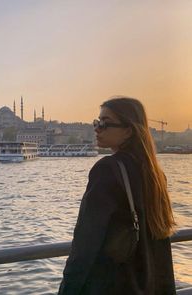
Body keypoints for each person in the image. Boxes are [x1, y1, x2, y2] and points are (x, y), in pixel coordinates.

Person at [58, 96, 176, 295]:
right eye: (97, 122)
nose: (97, 128)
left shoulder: (107, 170)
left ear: (128, 131)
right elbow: (161, 247)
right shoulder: (155, 175)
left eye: (104, 123)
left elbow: (85, 244)